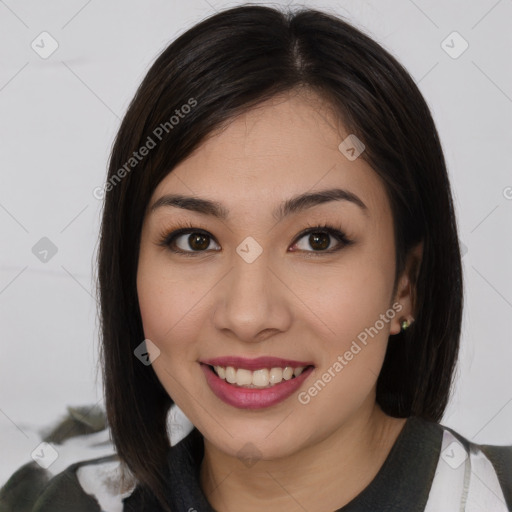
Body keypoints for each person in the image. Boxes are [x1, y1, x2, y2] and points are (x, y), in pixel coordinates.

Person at [2, 4, 510, 511]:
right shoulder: (53, 500)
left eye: (317, 240)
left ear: (406, 284)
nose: (247, 316)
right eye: (195, 240)